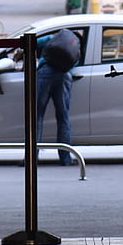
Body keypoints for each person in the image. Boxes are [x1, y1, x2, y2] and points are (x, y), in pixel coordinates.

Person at [36, 29, 81, 166]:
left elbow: (32, 43)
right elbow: (73, 64)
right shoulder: (75, 49)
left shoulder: (51, 37)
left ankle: (32, 157)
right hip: (64, 76)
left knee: (37, 117)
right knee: (63, 118)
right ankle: (65, 158)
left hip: (45, 72)